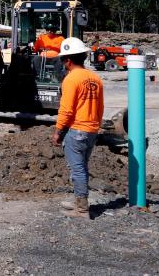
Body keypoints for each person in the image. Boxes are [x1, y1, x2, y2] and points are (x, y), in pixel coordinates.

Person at [53, 37, 104, 219]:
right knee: (82, 166)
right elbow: (100, 107)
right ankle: (78, 201)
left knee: (78, 169)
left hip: (77, 130)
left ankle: (82, 209)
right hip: (91, 130)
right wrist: (95, 126)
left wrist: (58, 131)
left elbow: (66, 110)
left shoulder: (71, 79)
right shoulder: (95, 78)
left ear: (67, 60)